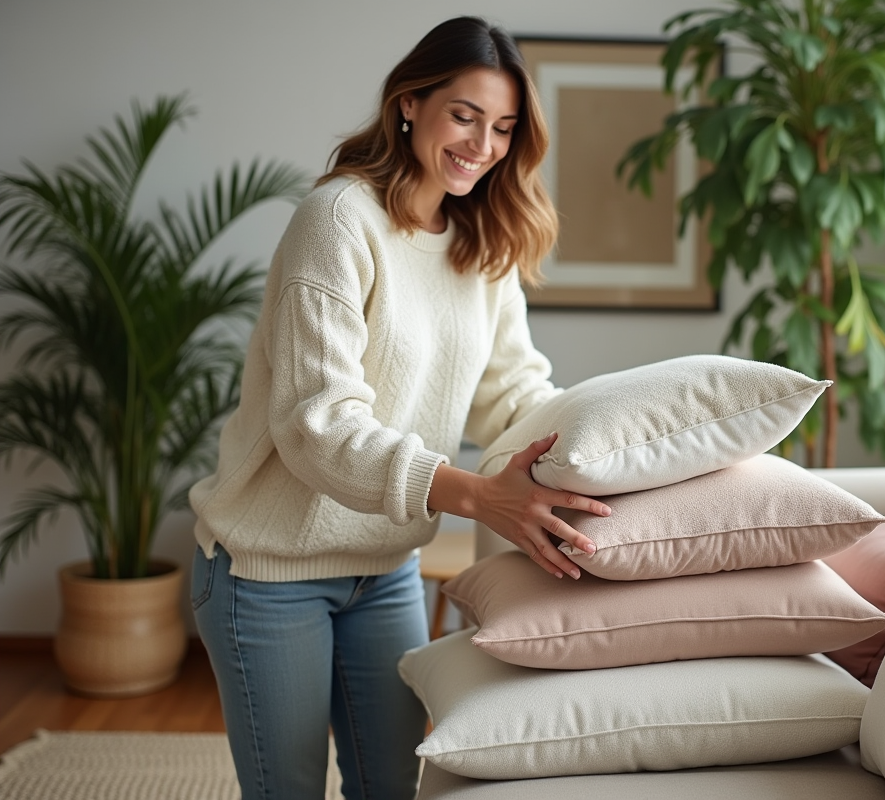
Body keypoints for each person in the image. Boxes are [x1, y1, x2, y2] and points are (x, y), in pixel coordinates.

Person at [187, 16, 610, 800]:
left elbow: (513, 393)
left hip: (384, 571)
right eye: (464, 115)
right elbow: (318, 423)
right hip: (267, 571)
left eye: (504, 128)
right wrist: (478, 496)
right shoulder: (339, 222)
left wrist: (605, 446)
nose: (483, 145)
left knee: (393, 788)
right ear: (409, 104)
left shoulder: (483, 243)